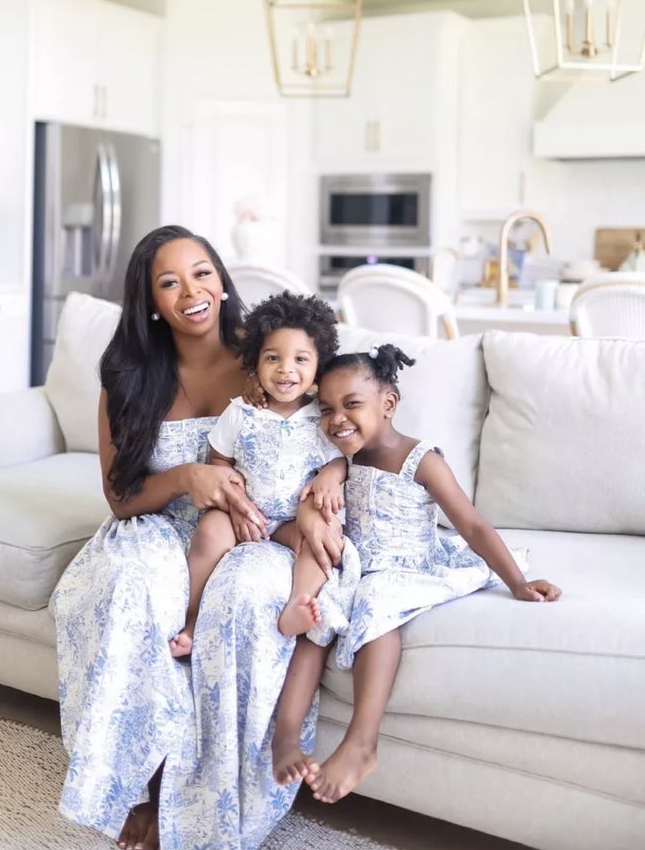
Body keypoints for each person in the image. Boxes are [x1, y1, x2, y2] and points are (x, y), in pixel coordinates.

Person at [53, 225, 351, 850]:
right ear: (151, 302)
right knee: (130, 586)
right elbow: (120, 496)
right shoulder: (129, 375)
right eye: (170, 282)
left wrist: (330, 481)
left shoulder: (271, 352)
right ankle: (141, 785)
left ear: (221, 278)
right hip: (159, 526)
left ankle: (204, 808)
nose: (192, 291)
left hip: (256, 531)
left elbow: (341, 426)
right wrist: (189, 477)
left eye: (202, 272)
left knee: (246, 603)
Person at [271, 343, 562, 804]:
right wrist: (330, 472)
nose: (337, 419)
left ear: (388, 405)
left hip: (408, 568)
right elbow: (327, 481)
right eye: (326, 409)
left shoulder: (420, 459)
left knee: (377, 604)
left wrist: (518, 583)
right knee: (316, 622)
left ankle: (362, 741)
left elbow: (472, 524)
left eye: (352, 405)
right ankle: (286, 736)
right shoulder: (344, 460)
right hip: (359, 566)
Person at [170, 291, 354, 658]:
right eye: (273, 358)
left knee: (318, 539)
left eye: (301, 359)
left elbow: (340, 458)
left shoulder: (321, 416)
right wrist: (231, 491)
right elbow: (218, 456)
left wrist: (331, 476)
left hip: (291, 519)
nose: (286, 369)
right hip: (244, 512)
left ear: (319, 369)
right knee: (209, 535)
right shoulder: (241, 411)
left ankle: (297, 607)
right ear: (255, 363)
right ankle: (188, 621)